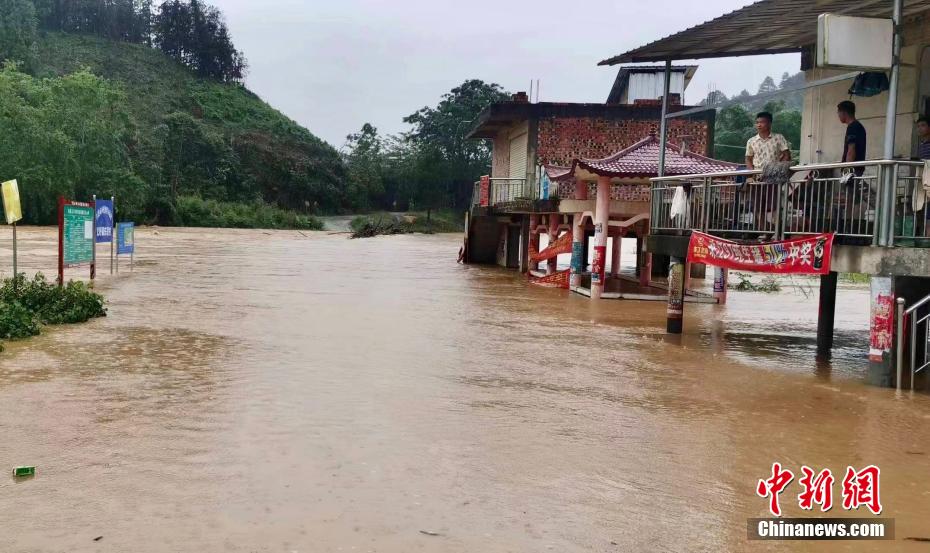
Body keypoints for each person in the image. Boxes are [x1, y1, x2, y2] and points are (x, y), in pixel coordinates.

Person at [744, 112, 791, 235]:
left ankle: (776, 233)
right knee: (758, 207)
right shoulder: (751, 141)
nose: (759, 125)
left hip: (773, 178)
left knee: (774, 206)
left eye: (762, 122)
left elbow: (787, 154)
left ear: (769, 123)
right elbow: (748, 158)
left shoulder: (778, 138)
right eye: (757, 122)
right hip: (757, 178)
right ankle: (763, 232)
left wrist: (777, 168)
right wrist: (751, 173)